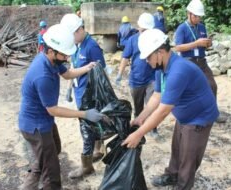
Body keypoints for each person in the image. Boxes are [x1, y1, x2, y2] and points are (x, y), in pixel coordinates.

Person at [122, 29, 219, 190]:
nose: (147, 61)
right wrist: (141, 118)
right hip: (184, 116)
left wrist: (138, 134)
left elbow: (163, 111)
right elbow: (157, 96)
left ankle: (182, 185)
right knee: (177, 148)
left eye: (148, 57)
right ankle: (172, 175)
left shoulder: (178, 70)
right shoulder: (162, 68)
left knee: (188, 157)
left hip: (199, 118)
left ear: (160, 52)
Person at [19, 24, 104, 190]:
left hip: (43, 120)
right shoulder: (42, 74)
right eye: (64, 54)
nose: (66, 58)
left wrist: (87, 68)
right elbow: (53, 109)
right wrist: (84, 114)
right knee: (52, 172)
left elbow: (67, 74)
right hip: (36, 125)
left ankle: (30, 183)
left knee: (52, 150)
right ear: (51, 51)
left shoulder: (52, 59)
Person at [60, 13, 106, 178]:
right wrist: (69, 89)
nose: (71, 38)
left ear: (80, 30)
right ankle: (97, 149)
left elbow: (102, 72)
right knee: (90, 126)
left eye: (72, 34)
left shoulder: (91, 46)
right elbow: (72, 68)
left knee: (86, 129)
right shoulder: (77, 46)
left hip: (90, 96)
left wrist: (98, 97)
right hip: (80, 92)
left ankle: (87, 165)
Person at [115, 12, 158, 137]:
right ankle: (137, 128)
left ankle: (153, 129)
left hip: (152, 78)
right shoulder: (132, 40)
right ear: (139, 27)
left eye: (147, 30)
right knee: (138, 107)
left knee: (152, 105)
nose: (144, 32)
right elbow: (125, 58)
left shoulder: (155, 39)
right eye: (143, 29)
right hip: (136, 80)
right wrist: (119, 74)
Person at [174, 0, 217, 97]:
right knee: (193, 90)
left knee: (212, 86)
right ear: (188, 14)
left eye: (200, 16)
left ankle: (211, 109)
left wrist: (208, 44)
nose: (198, 19)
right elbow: (178, 48)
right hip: (188, 62)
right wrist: (196, 43)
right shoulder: (182, 28)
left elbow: (205, 46)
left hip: (202, 62)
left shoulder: (202, 27)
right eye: (196, 16)